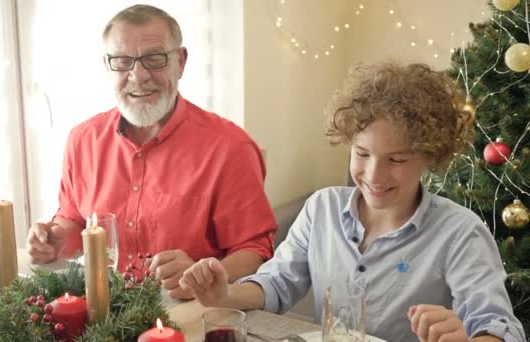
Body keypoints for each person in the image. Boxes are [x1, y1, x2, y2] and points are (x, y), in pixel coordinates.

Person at [179, 62, 525, 341]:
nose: (374, 176)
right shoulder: (322, 209)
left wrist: (465, 337)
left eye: (398, 160)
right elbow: (277, 282)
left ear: (430, 156)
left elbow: (498, 326)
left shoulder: (460, 232)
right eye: (362, 153)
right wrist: (224, 296)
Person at [26, 4, 277, 299]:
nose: (139, 75)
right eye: (123, 61)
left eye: (154, 59)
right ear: (108, 65)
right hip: (102, 310)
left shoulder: (230, 148)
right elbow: (74, 220)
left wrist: (202, 273)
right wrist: (55, 241)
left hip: (190, 315)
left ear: (180, 62)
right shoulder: (82, 140)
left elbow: (255, 251)